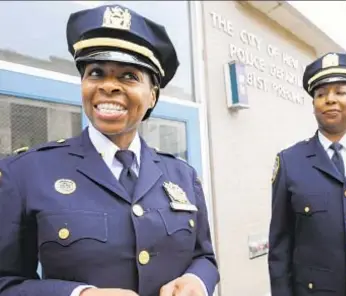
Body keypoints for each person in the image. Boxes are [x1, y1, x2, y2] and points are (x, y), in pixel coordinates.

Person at [0, 4, 219, 296]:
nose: (108, 86)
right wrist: (79, 295)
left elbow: (204, 258)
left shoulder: (183, 176)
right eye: (96, 73)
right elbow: (6, 282)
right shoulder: (25, 172)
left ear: (152, 96)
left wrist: (197, 280)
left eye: (129, 76)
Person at [268, 52, 346, 295]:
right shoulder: (290, 162)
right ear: (313, 104)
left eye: (340, 91)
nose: (330, 100)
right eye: (321, 94)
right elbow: (280, 247)